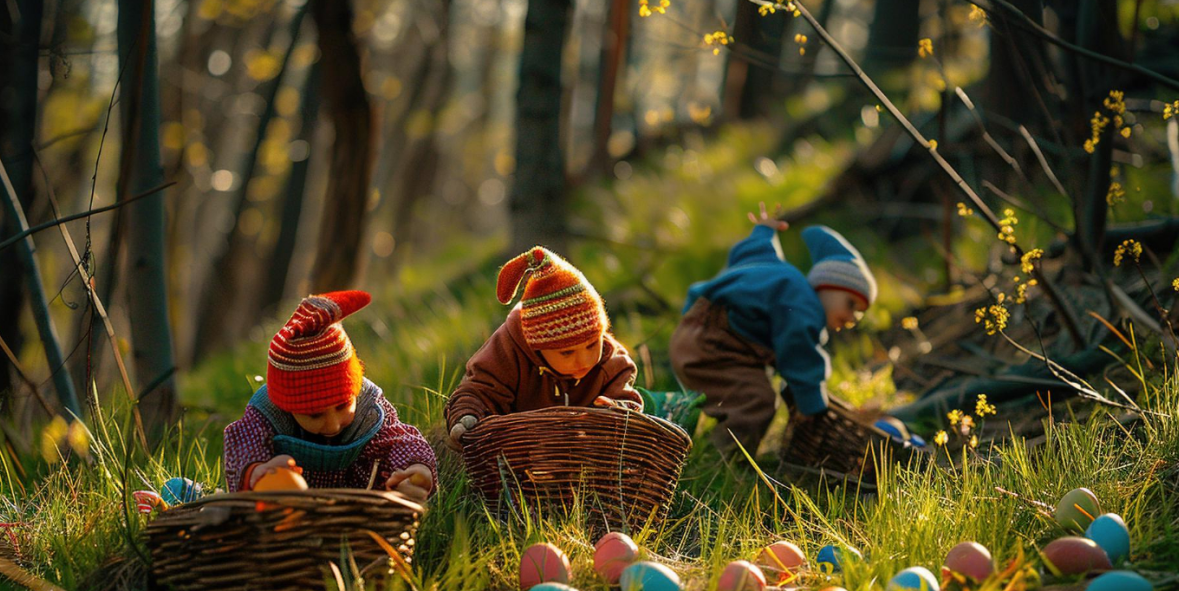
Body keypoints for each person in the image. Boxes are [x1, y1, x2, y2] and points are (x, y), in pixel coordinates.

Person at [669, 204, 877, 455]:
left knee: (745, 392)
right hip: (712, 346)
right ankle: (724, 458)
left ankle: (707, 442)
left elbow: (755, 253)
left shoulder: (782, 281)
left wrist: (764, 232)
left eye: (859, 314)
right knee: (757, 400)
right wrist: (813, 407)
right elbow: (801, 358)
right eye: (851, 304)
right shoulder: (803, 305)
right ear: (826, 284)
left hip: (693, 334)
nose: (852, 318)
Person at [223, 290, 437, 501]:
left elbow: (399, 440)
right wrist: (258, 472)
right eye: (315, 415)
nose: (333, 425)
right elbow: (244, 446)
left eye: (343, 405)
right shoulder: (267, 414)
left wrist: (416, 469)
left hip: (360, 505)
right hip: (291, 507)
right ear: (286, 406)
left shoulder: (369, 407)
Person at [446, 246, 642, 445]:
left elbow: (627, 400)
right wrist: (467, 416)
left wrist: (618, 410)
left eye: (592, 345)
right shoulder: (509, 350)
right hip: (519, 447)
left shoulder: (611, 363)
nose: (584, 360)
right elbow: (480, 390)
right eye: (567, 352)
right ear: (537, 347)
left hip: (583, 451)